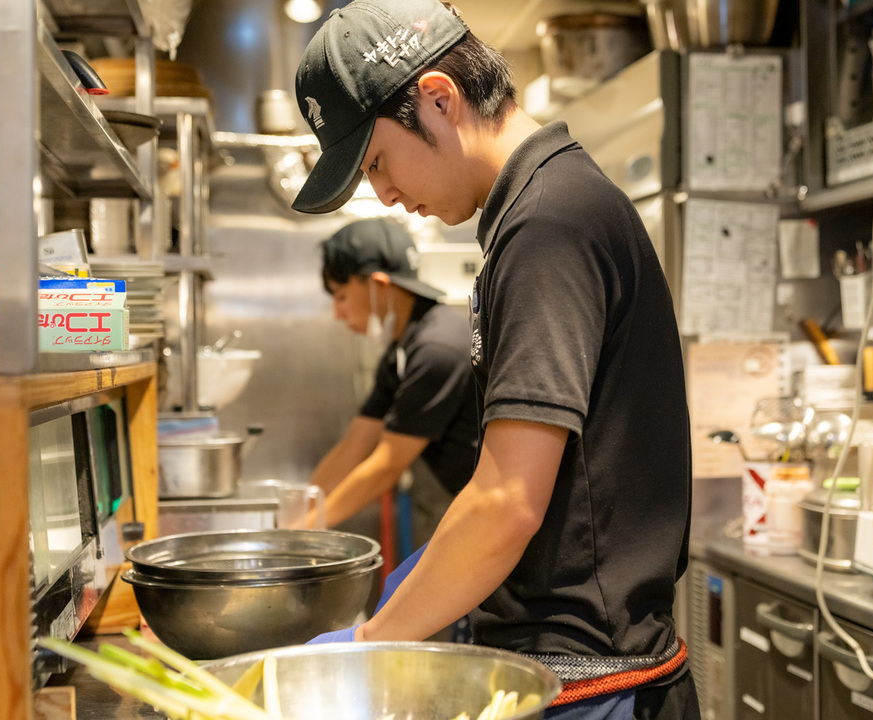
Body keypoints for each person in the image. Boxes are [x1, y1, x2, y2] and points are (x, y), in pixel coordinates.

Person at [295, 2, 699, 719]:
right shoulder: (536, 213)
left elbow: (508, 503)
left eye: (378, 162)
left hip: (592, 689)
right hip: (567, 673)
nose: (383, 194)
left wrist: (368, 648)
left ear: (440, 99)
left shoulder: (548, 227)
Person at [307, 217, 480, 565]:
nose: (337, 314)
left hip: (486, 513)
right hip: (456, 502)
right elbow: (355, 443)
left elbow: (387, 464)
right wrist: (307, 504)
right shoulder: (402, 349)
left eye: (341, 296)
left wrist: (308, 528)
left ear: (378, 284)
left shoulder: (437, 349)